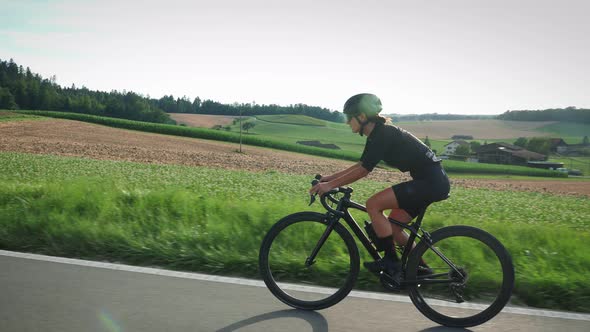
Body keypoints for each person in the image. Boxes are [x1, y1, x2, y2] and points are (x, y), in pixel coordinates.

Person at [309, 93, 450, 284]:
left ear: (362, 116)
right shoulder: (378, 134)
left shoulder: (383, 134)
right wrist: (329, 179)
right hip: (432, 182)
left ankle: (391, 262)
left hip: (430, 183)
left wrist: (330, 186)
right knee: (393, 228)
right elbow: (360, 165)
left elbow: (363, 170)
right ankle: (422, 268)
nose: (346, 122)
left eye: (348, 117)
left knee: (373, 204)